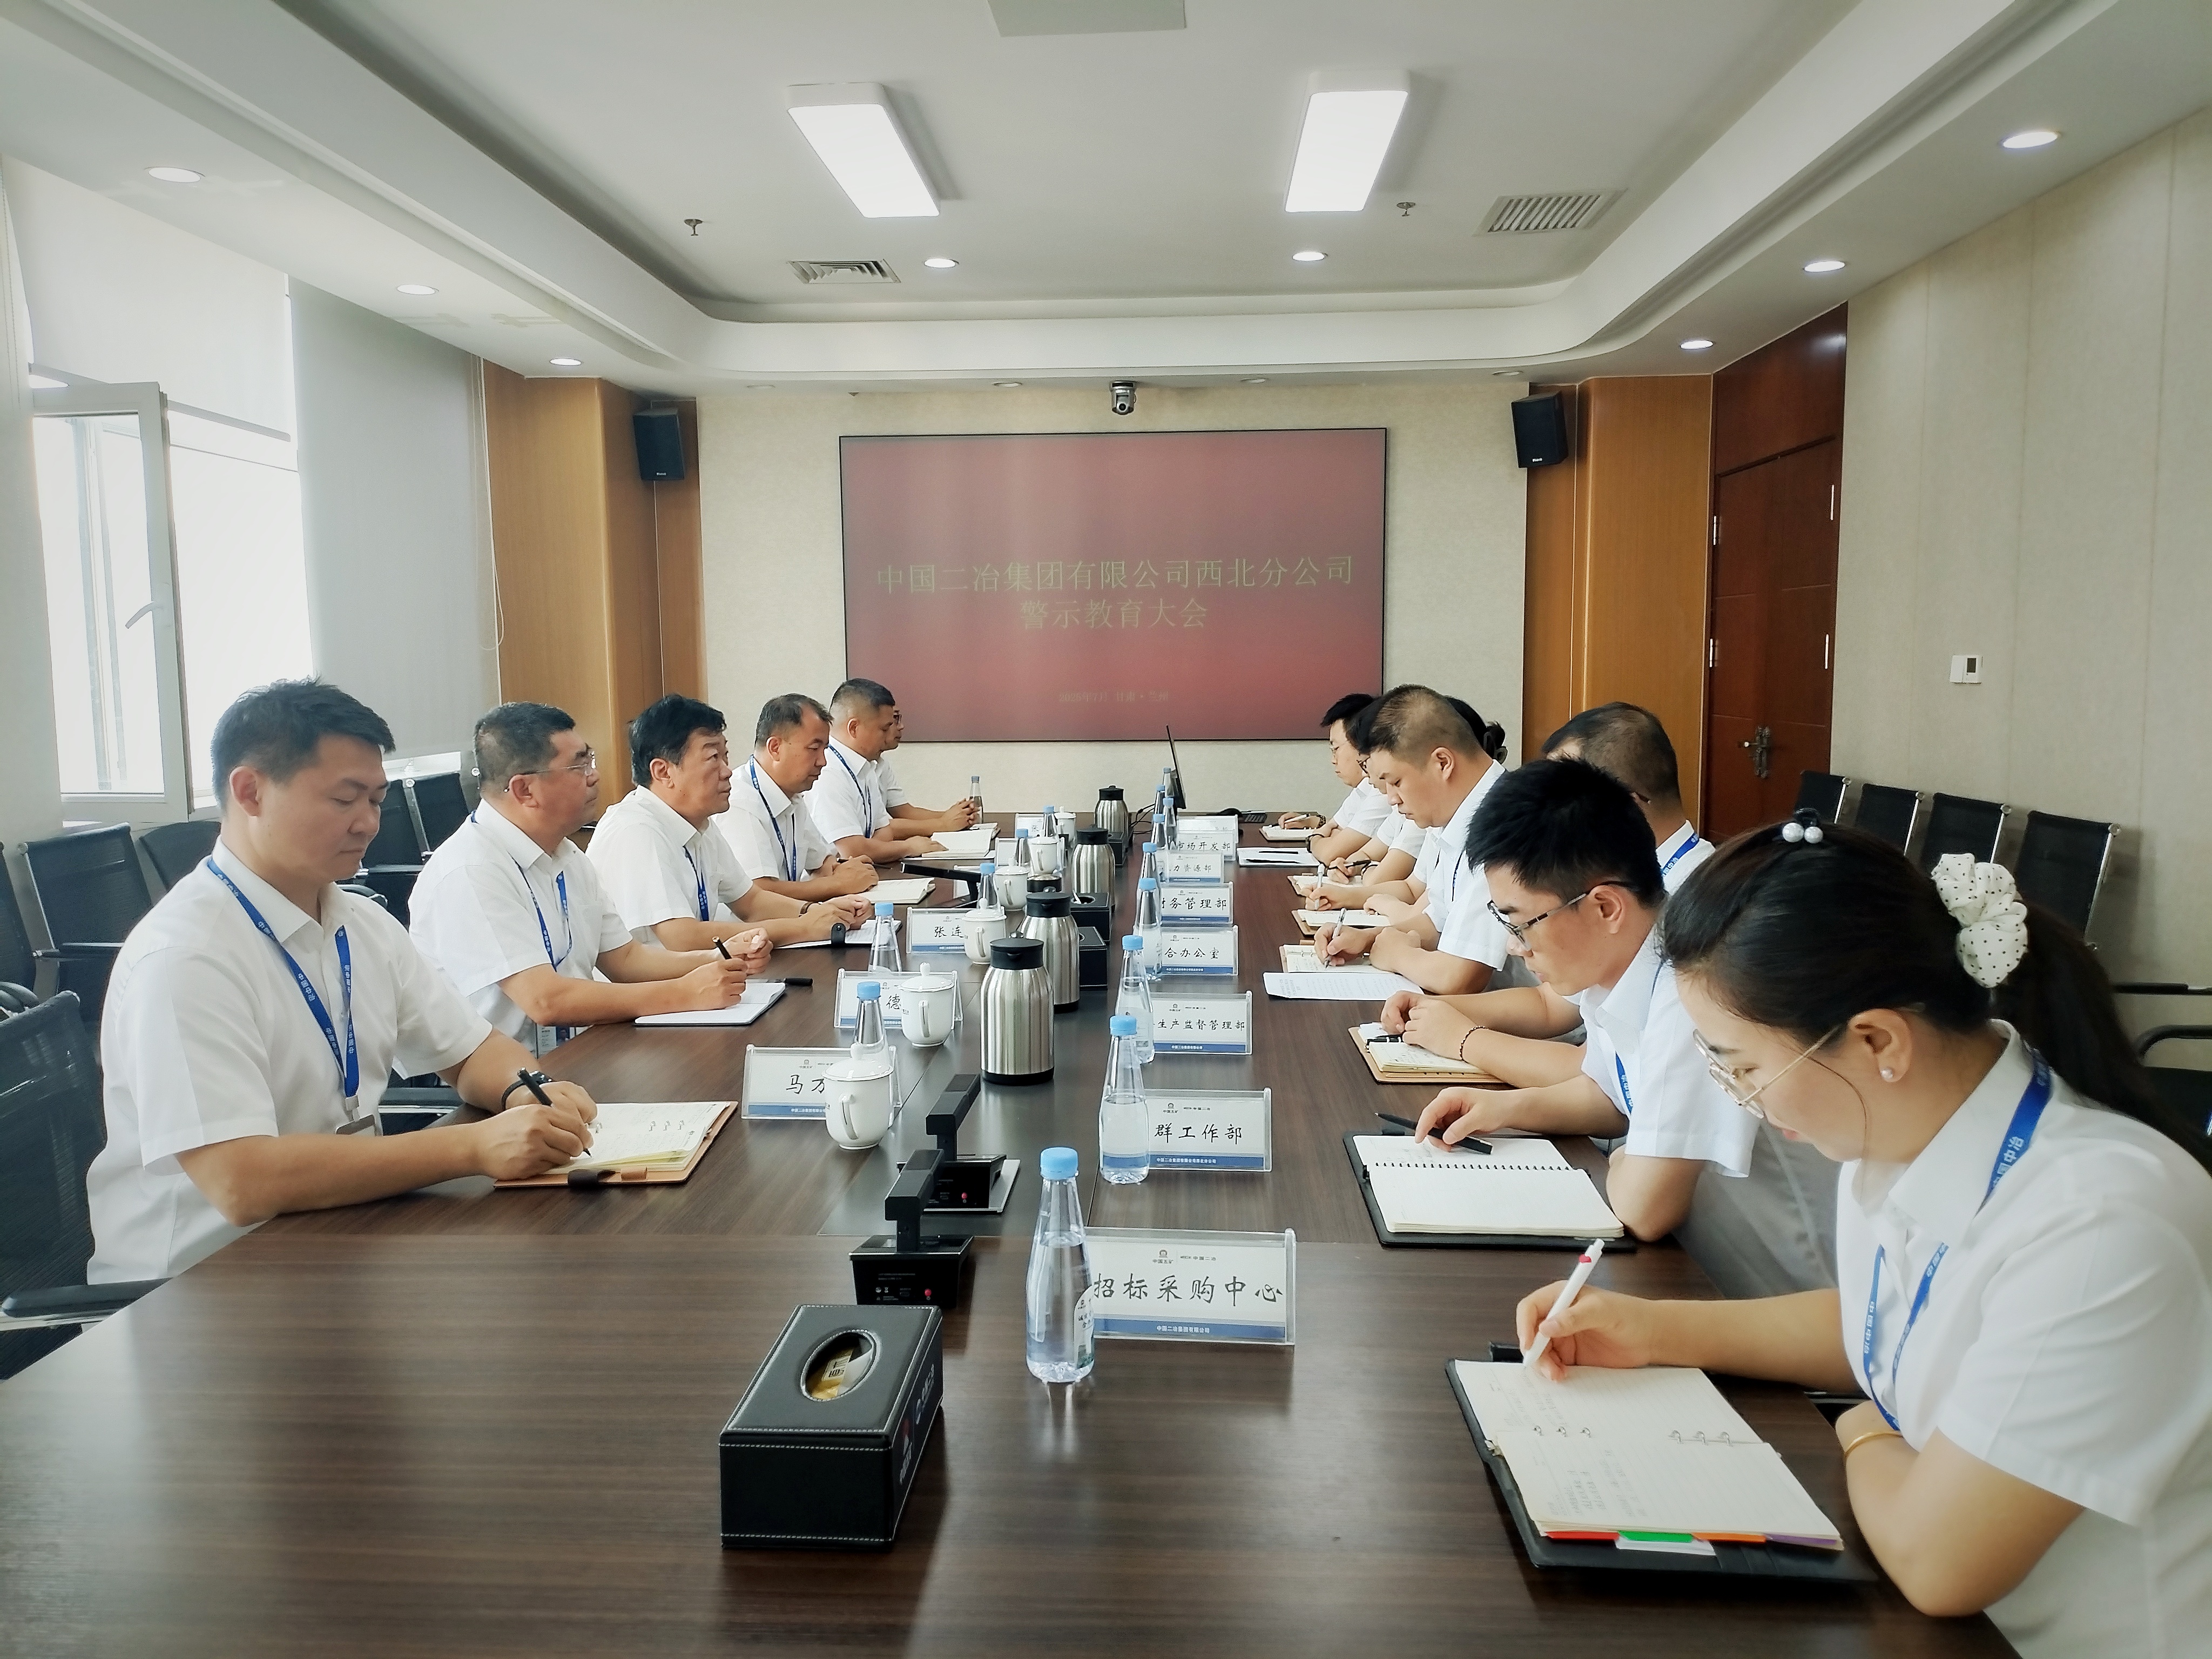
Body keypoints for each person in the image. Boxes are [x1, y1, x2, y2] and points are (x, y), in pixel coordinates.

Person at [1513, 822, 2212, 1652]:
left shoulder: (2103, 1223)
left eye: (1745, 1068)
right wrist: (1652, 1329)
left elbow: (1938, 1561)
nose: (1744, 1098)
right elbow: (1887, 1322)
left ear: (1879, 1040)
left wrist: (1863, 1428)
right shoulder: (1895, 1132)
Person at [86, 680, 601, 1283]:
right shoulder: (186, 957)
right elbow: (241, 1181)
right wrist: (471, 1147)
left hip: (338, 1238)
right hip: (202, 1286)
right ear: (250, 791)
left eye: (377, 800)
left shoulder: (360, 922)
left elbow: (472, 1051)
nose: (368, 824)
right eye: (344, 800)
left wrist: (528, 1091)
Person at [1411, 761, 1835, 1296]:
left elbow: (1644, 1209)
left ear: (1606, 907)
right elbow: (1609, 1094)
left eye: (1521, 923)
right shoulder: (1622, 966)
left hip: (1775, 1296)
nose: (1515, 947)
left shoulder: (1692, 989)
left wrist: (1629, 1157)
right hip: (1700, 1268)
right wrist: (1504, 1109)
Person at [1380, 703, 1716, 1085]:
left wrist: (1465, 1039)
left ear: (1625, 805)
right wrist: (1434, 1010)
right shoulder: (1627, 879)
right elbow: (1551, 1005)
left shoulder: (1693, 908)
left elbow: (1601, 1081)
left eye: (1566, 792)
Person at [409, 702, 757, 1055]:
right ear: (525, 790)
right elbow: (545, 1001)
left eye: (591, 760)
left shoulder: (567, 855)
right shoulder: (471, 870)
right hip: (505, 1077)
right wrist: (683, 993)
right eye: (579, 766)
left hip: (580, 1051)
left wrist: (716, 960)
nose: (595, 776)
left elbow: (625, 960)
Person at [587, 694, 874, 950]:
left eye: (725, 756)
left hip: (703, 978)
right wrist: (804, 927)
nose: (727, 771)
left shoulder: (700, 824)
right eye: (713, 757)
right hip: (656, 990)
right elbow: (682, 938)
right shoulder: (636, 830)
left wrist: (814, 911)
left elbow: (751, 902)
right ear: (664, 772)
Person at [1312, 685, 1510, 994]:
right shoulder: (1457, 816)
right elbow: (1436, 921)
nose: (1392, 799)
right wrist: (1367, 939)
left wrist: (1397, 956)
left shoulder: (1505, 819)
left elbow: (1460, 978)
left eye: (1396, 782)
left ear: (1442, 762)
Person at [714, 694, 880, 903]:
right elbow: (760, 892)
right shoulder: (739, 801)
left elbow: (822, 863)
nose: (823, 761)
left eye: (825, 750)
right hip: (755, 924)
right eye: (814, 749)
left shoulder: (792, 795)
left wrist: (847, 871)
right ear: (775, 748)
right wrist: (838, 883)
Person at [1542, 701, 1712, 890]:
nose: (1556, 814)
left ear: (1629, 808)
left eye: (1568, 799)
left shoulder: (1701, 895)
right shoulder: (1630, 876)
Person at [811, 678, 951, 862]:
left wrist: (869, 848)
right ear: (854, 728)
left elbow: (885, 831)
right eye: (884, 729)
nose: (887, 737)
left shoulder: (866, 765)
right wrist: (908, 847)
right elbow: (852, 851)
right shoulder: (828, 772)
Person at [1282, 693, 1386, 865]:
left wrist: (1314, 838)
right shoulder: (1366, 787)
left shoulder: (1384, 792)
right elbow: (1337, 827)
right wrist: (1315, 823)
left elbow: (1331, 852)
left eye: (1336, 748)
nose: (1333, 760)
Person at [875, 691, 982, 836]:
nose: (901, 726)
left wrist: (958, 816)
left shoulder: (880, 763)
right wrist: (943, 824)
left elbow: (904, 812)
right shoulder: (848, 770)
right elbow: (878, 828)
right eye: (894, 720)